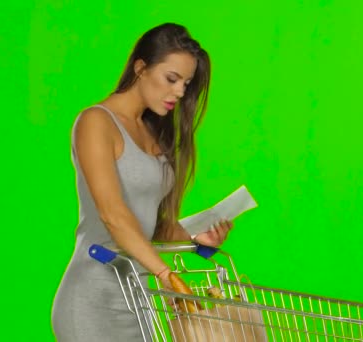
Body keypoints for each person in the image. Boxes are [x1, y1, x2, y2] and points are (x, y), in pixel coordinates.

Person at [51, 23, 233, 341]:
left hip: (137, 300)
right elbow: (114, 215)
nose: (179, 92)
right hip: (93, 299)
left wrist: (193, 239)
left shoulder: (153, 131)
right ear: (141, 68)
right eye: (171, 79)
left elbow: (147, 225)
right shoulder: (96, 123)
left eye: (186, 84)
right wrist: (165, 273)